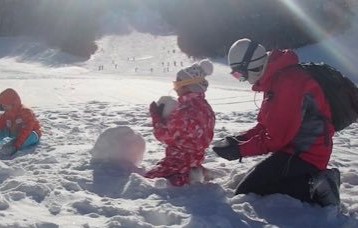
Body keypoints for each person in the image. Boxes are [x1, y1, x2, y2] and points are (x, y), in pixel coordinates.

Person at [212, 38, 340, 207]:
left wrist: (239, 150)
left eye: (239, 74)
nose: (241, 79)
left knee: (250, 191)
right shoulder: (274, 78)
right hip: (293, 150)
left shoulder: (288, 83)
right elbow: (265, 126)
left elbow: (276, 138)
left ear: (253, 66)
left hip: (307, 154)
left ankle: (317, 184)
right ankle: (312, 180)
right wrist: (238, 139)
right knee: (251, 185)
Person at [145, 60, 216, 186]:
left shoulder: (184, 111)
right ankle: (197, 170)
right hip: (196, 158)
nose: (175, 88)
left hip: (178, 162)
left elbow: (164, 136)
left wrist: (157, 118)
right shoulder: (206, 107)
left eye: (177, 84)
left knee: (148, 180)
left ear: (187, 86)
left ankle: (189, 176)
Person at [0, 88, 41, 155]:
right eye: (3, 106)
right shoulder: (7, 114)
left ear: (13, 104)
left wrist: (16, 145)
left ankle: (11, 146)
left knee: (31, 135)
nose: (4, 108)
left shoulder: (26, 112)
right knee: (5, 129)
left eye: (5, 106)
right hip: (16, 132)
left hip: (31, 134)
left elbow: (26, 130)